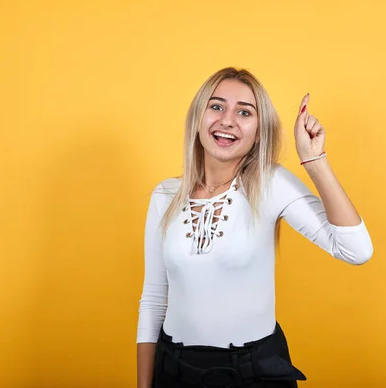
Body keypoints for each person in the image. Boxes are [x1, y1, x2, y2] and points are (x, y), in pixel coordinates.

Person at [136, 67, 373, 388]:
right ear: (197, 118)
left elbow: (356, 250)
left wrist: (314, 160)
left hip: (254, 374)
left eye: (244, 112)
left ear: (260, 131)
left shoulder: (272, 184)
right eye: (216, 106)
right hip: (175, 371)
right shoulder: (165, 195)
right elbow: (153, 300)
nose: (227, 120)